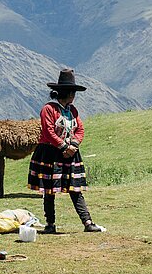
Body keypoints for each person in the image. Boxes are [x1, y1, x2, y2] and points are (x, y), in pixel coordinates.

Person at [27, 68, 104, 233]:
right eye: (73, 93)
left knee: (74, 189)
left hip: (70, 154)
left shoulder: (72, 111)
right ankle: (50, 224)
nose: (74, 96)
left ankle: (88, 222)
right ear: (68, 93)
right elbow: (48, 131)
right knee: (49, 190)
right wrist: (63, 147)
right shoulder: (48, 109)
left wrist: (73, 146)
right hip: (50, 153)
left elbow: (80, 129)